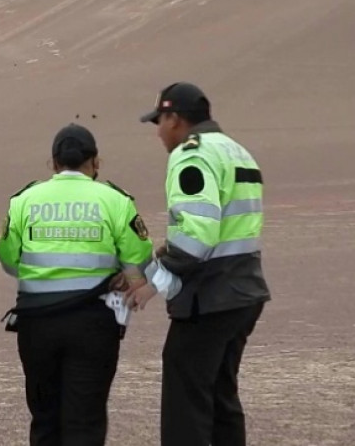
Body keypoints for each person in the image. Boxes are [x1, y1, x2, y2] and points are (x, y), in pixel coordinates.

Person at [132, 82, 271, 446]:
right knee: (222, 397)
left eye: (160, 121)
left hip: (210, 298)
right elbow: (222, 227)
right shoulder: (237, 152)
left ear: (175, 119)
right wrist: (162, 253)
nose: (158, 131)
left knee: (186, 401)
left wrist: (153, 281)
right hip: (243, 291)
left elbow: (195, 239)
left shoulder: (191, 155)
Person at [0, 123, 153, 446]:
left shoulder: (24, 200)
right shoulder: (115, 200)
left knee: (45, 420)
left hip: (37, 324)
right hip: (93, 325)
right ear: (95, 162)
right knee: (85, 421)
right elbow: (138, 258)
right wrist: (125, 273)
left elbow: (9, 261)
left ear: (54, 163)